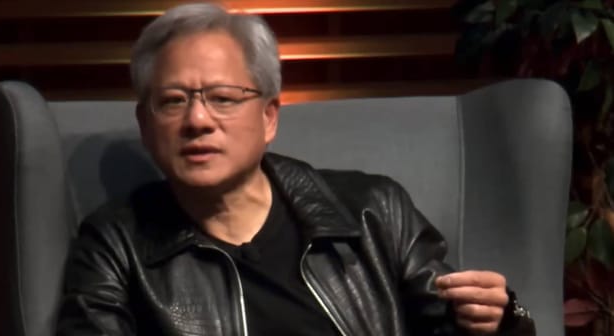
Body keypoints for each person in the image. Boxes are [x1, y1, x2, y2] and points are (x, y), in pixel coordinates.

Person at [56, 3, 535, 335]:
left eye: (223, 99)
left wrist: (500, 320)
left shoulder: (372, 212)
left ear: (268, 118)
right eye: (172, 101)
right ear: (145, 124)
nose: (197, 120)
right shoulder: (114, 245)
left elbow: (454, 322)